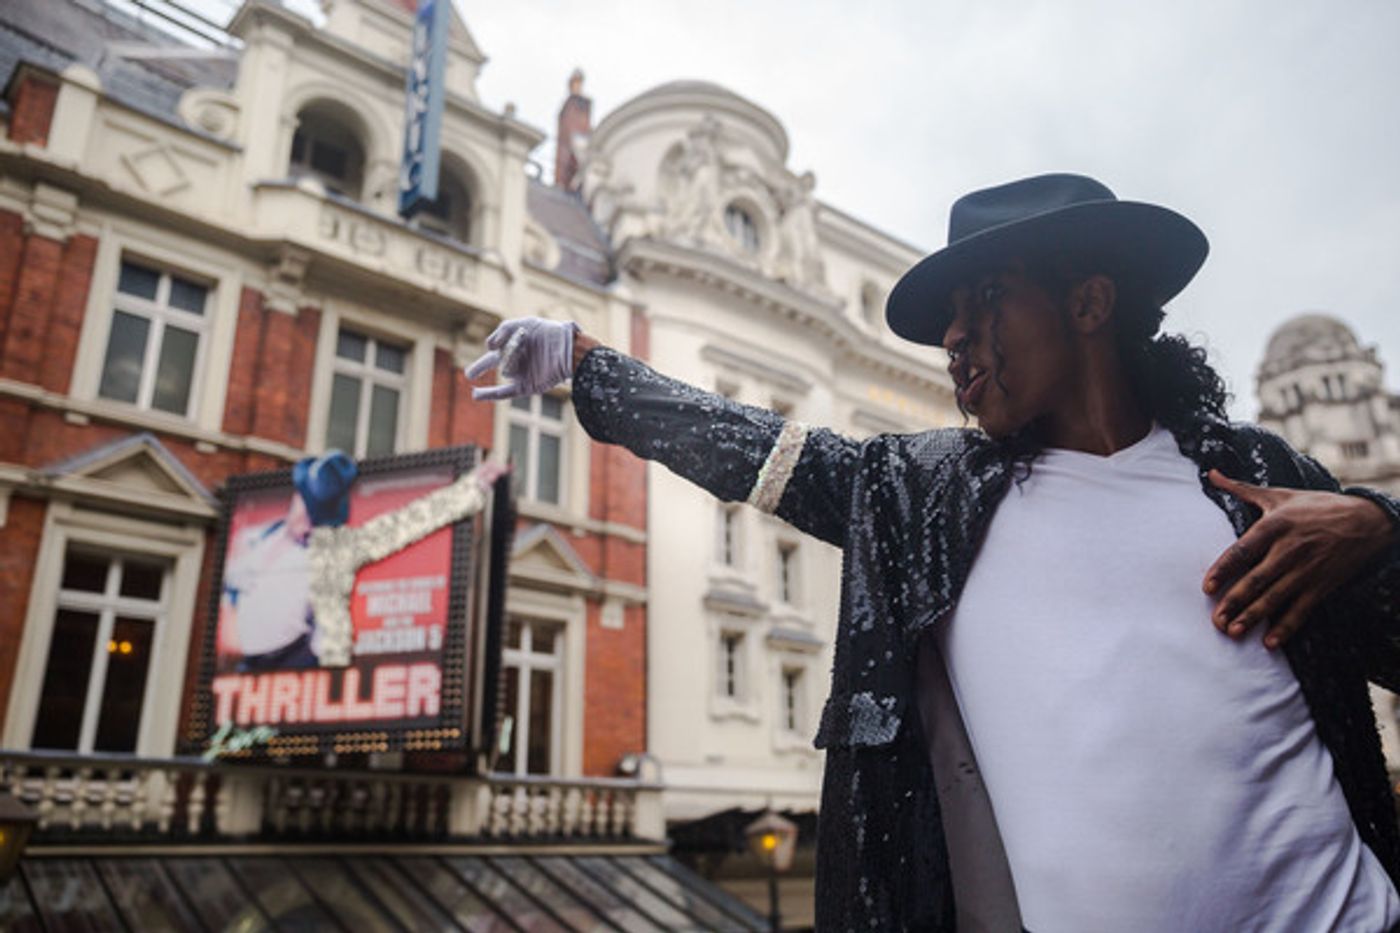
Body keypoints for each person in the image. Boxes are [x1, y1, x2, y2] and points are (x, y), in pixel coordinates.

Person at [468, 174, 1400, 931]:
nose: (953, 337)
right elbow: (763, 452)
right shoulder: (922, 496)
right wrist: (588, 366)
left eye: (985, 299)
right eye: (951, 314)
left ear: (1089, 301)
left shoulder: (1256, 474)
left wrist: (1376, 526)